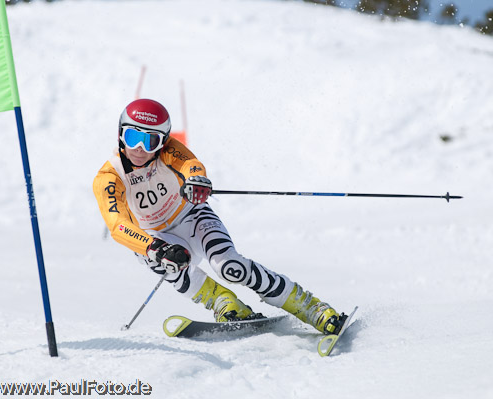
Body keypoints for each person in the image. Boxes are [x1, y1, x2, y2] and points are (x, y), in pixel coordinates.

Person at [93, 98, 346, 334]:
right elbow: (118, 226)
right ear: (120, 134)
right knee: (162, 261)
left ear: (163, 142)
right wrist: (154, 246)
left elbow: (190, 164)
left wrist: (196, 180)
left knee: (230, 267)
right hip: (156, 236)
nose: (139, 148)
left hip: (193, 217)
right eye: (132, 136)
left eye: (150, 141)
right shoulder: (109, 177)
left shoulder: (168, 151)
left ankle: (312, 308)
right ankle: (225, 304)